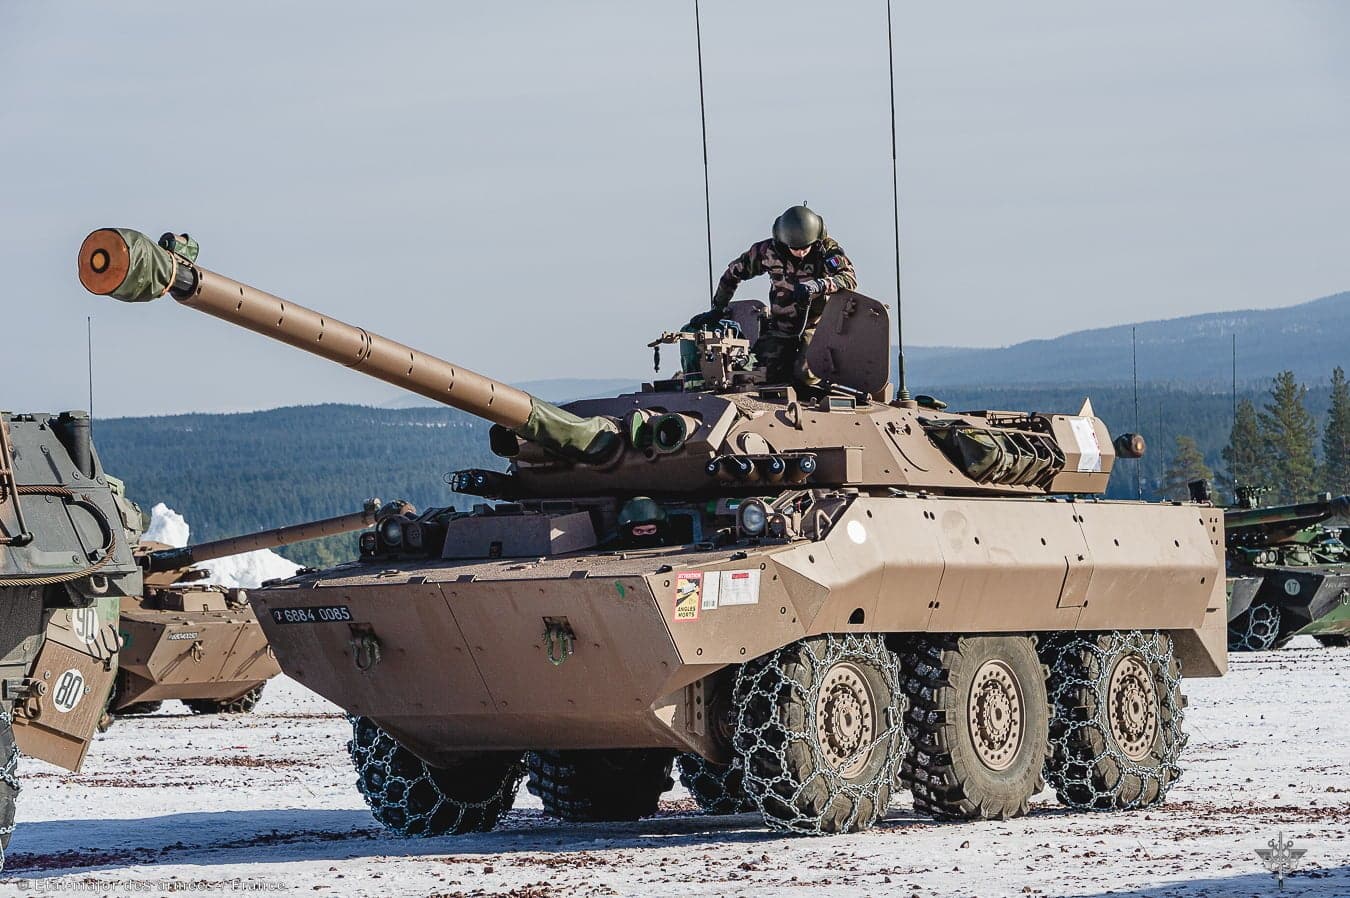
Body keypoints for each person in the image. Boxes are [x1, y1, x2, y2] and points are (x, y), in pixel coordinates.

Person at [690, 205, 857, 386]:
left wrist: (819, 285)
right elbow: (734, 273)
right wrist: (718, 308)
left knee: (805, 373)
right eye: (795, 248)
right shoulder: (767, 251)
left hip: (816, 327)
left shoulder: (826, 250)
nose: (801, 253)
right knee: (753, 373)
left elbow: (849, 278)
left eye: (805, 247)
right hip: (781, 328)